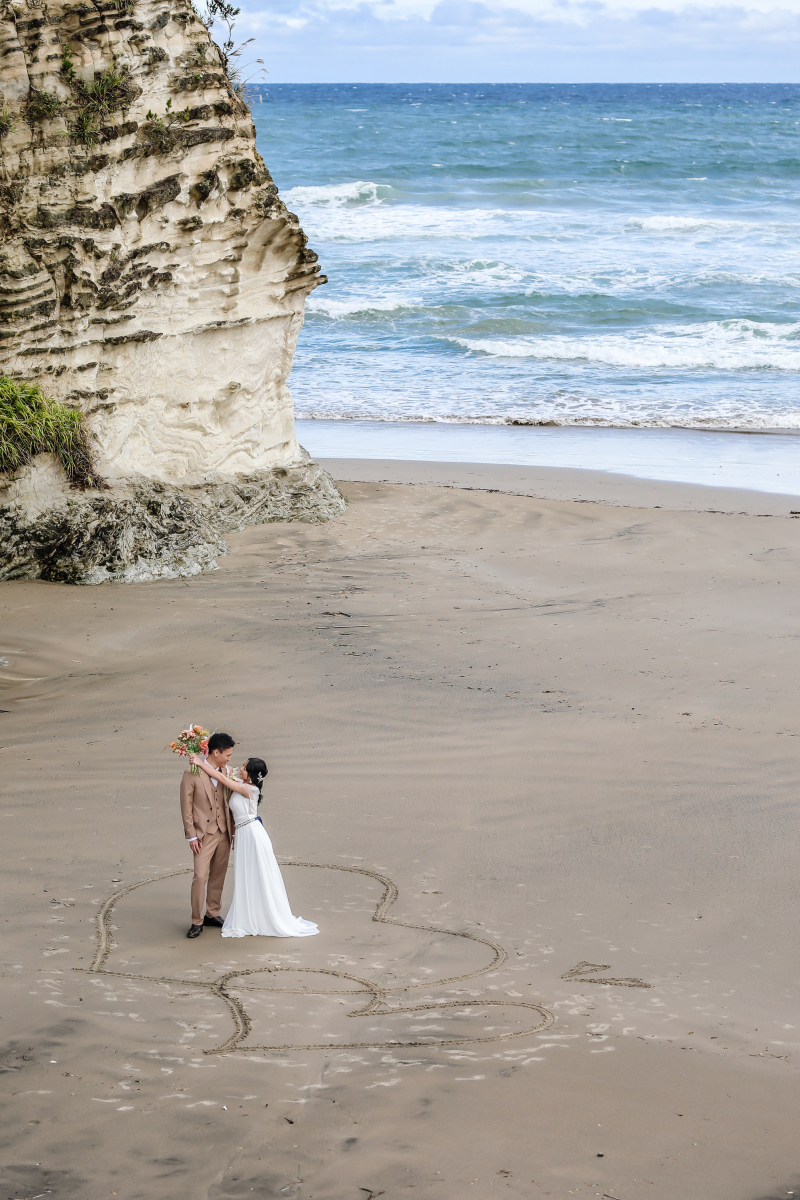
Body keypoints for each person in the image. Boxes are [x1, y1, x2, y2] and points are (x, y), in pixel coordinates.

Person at [189, 752, 318, 939]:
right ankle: (252, 912)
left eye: (243, 767)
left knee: (258, 874)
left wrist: (200, 762)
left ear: (250, 774)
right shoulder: (244, 785)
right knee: (247, 874)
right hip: (243, 833)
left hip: (252, 834)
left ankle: (260, 916)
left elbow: (220, 777)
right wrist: (233, 833)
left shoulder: (250, 790)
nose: (239, 768)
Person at [180, 732, 236, 939]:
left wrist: (234, 831)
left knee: (218, 875)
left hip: (224, 831)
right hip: (203, 835)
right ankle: (196, 921)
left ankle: (213, 913)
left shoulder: (227, 771)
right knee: (200, 876)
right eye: (227, 754)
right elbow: (186, 807)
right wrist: (191, 836)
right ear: (216, 752)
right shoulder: (191, 773)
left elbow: (231, 802)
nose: (230, 758)